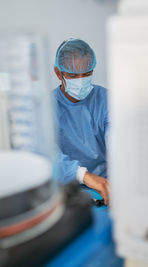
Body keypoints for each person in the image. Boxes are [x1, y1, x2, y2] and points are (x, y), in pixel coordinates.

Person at [53, 38, 109, 205]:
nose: (81, 81)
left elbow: (119, 140)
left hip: (107, 185)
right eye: (72, 75)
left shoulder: (106, 99)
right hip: (67, 191)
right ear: (58, 73)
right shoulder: (47, 106)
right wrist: (83, 175)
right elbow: (45, 154)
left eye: (87, 74)